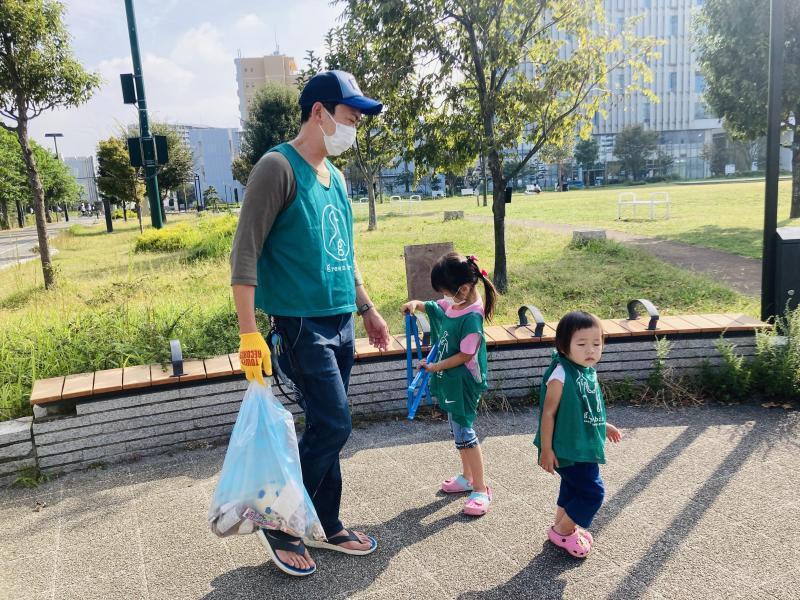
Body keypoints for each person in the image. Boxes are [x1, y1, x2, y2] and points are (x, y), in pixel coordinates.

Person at [230, 70, 391, 577]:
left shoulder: (336, 179)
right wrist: (249, 332)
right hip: (300, 325)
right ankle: (280, 522)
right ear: (318, 112)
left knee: (328, 426)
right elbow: (245, 256)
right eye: (348, 118)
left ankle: (325, 520)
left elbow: (346, 253)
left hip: (341, 319)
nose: (353, 129)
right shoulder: (277, 167)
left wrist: (367, 308)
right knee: (335, 422)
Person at [401, 253, 497, 516]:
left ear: (464, 289)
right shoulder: (456, 303)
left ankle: (481, 488)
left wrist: (433, 367)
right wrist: (416, 304)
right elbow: (436, 306)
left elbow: (465, 356)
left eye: (447, 292)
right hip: (452, 380)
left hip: (464, 382)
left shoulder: (471, 319)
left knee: (465, 432)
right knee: (457, 431)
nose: (445, 297)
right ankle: (467, 478)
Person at [533, 311, 622, 558]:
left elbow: (584, 408)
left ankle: (561, 525)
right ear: (564, 346)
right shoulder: (561, 374)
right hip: (568, 446)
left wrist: (603, 425)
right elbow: (548, 414)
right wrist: (547, 449)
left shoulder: (586, 370)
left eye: (596, 343)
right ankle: (563, 532)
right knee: (593, 493)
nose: (590, 350)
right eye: (581, 344)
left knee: (572, 486)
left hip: (581, 444)